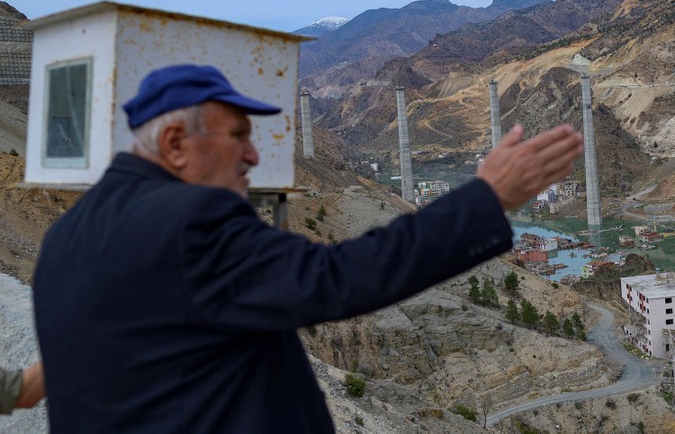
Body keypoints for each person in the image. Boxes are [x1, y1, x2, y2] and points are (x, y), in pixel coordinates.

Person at [33, 64, 584, 432]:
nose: (253, 156)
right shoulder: (189, 222)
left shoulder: (67, 234)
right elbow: (339, 278)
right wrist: (487, 199)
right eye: (238, 136)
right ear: (176, 143)